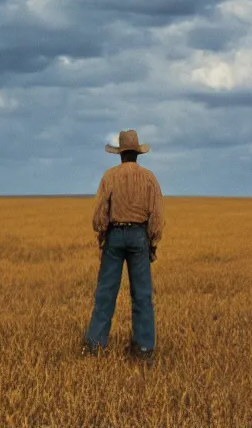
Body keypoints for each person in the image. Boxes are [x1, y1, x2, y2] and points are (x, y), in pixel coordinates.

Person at [82, 129, 165, 362]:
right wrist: (152, 241)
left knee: (106, 293)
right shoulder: (149, 178)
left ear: (120, 154)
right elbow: (157, 216)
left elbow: (100, 214)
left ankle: (95, 345)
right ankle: (145, 349)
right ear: (138, 154)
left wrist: (102, 234)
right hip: (139, 236)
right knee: (142, 295)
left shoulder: (110, 176)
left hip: (115, 236)